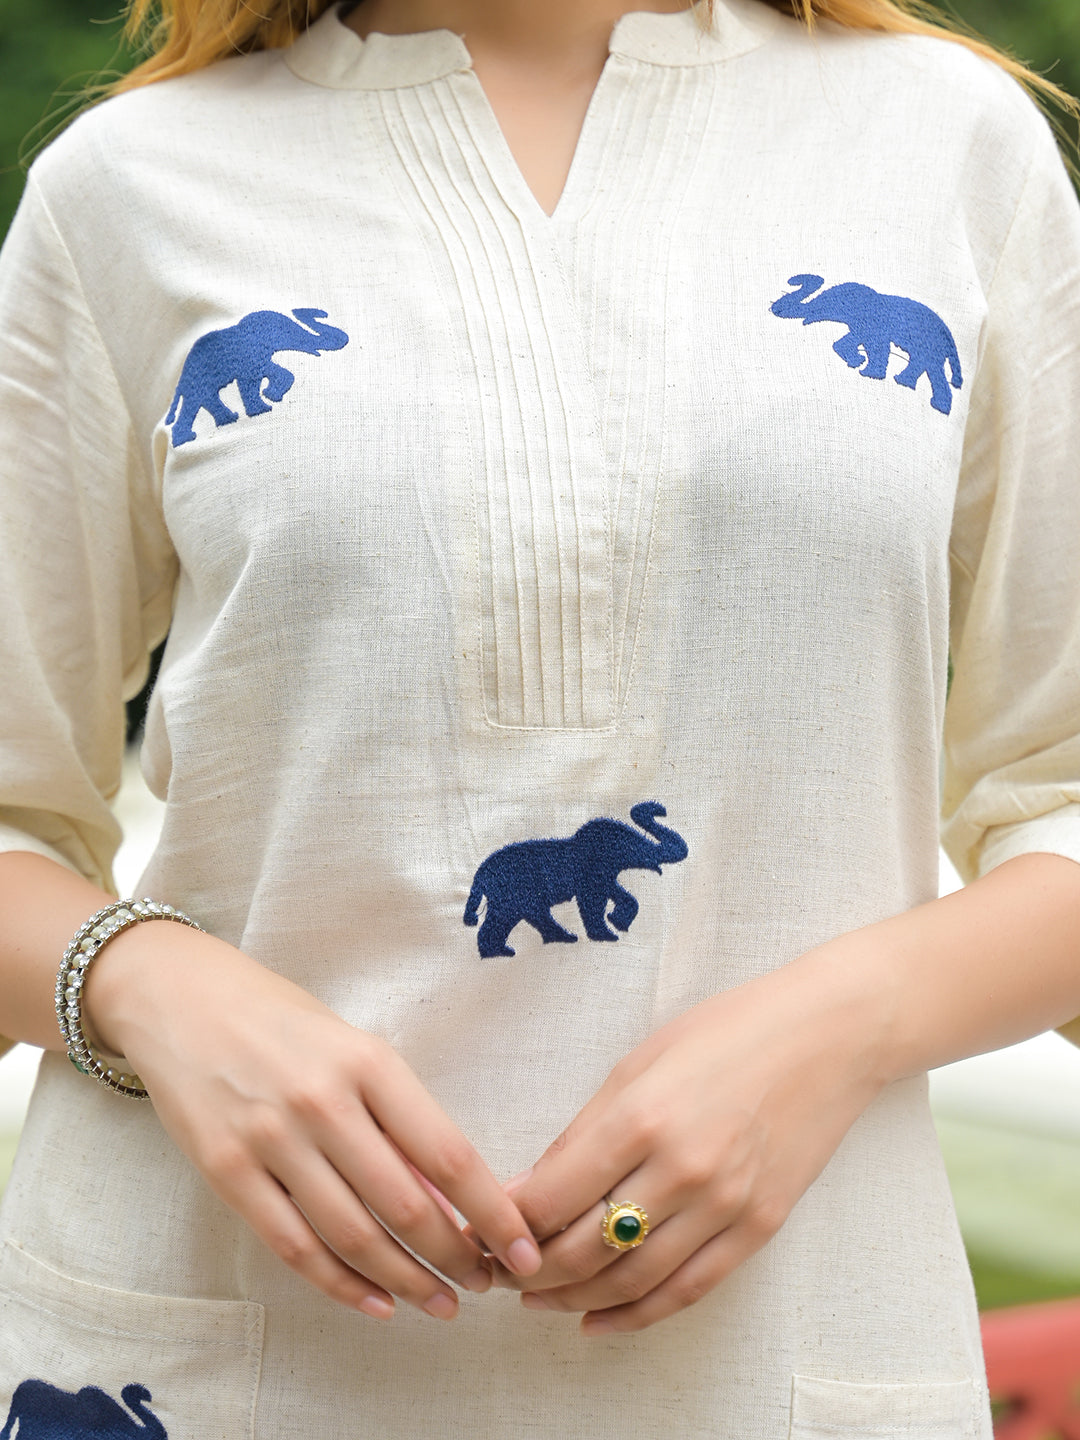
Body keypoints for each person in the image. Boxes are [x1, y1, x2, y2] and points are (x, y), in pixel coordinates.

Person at [0, 0, 1079, 1434]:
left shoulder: (948, 145)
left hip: (784, 1354)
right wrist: (156, 990)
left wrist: (841, 1023)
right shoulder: (128, 186)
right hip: (216, 1352)